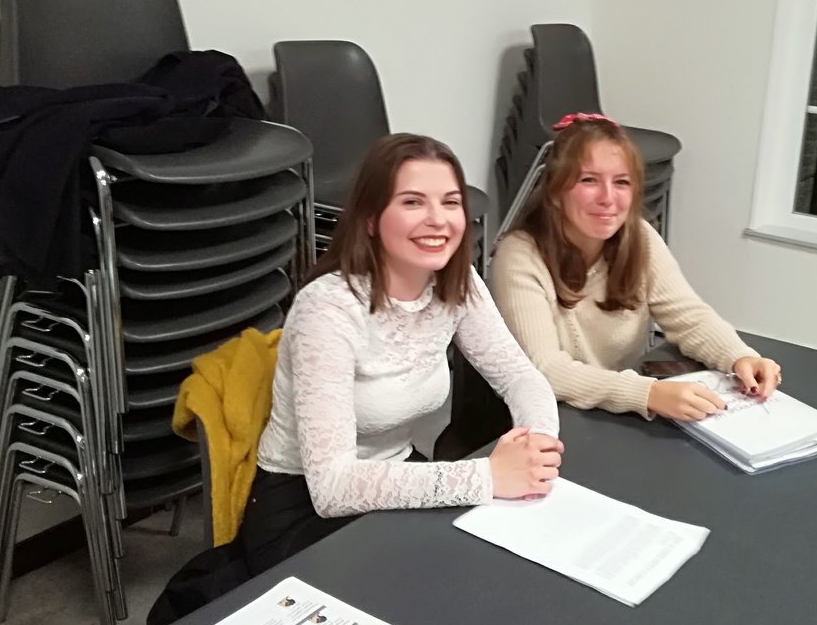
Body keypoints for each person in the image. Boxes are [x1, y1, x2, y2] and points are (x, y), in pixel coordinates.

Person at [238, 133, 562, 575]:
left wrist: (537, 447)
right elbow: (332, 488)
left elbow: (519, 376)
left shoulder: (457, 282)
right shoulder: (327, 309)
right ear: (371, 219)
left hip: (399, 477)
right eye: (413, 202)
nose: (438, 220)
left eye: (451, 203)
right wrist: (488, 476)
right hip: (303, 508)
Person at [489, 114, 780, 424]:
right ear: (556, 192)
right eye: (589, 180)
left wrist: (739, 356)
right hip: (540, 421)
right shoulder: (518, 255)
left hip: (612, 413)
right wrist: (648, 393)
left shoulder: (639, 236)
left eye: (621, 182)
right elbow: (546, 369)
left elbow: (689, 318)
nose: (608, 198)